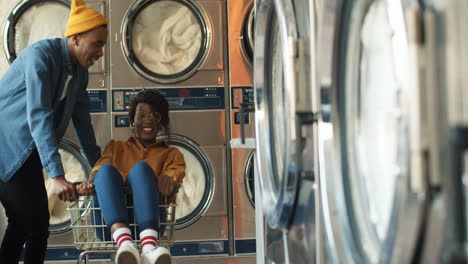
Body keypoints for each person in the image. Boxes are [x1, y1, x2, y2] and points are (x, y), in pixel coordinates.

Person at [0, 0, 107, 262]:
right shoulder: (41, 57)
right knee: (32, 223)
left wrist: (99, 167)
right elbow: (38, 115)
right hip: (7, 147)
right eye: (97, 44)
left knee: (29, 224)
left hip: (28, 153)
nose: (101, 53)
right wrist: (57, 175)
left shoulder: (80, 74)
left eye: (103, 45)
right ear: (76, 38)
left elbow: (83, 123)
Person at [77, 90, 186, 264]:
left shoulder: (171, 154)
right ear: (132, 123)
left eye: (155, 116)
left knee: (141, 170)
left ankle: (147, 247)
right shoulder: (115, 147)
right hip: (108, 226)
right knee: (105, 171)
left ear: (161, 124)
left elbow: (175, 172)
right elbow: (97, 170)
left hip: (151, 222)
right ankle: (126, 244)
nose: (148, 120)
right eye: (141, 115)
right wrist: (89, 183)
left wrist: (168, 178)